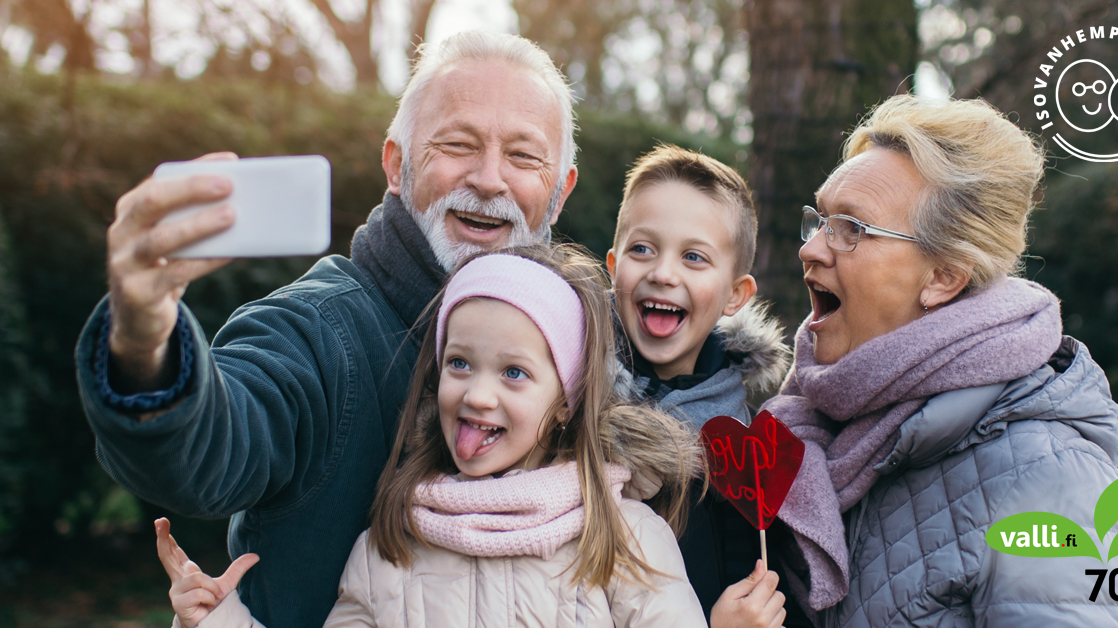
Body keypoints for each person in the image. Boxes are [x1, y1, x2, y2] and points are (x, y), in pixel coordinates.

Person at [73, 31, 579, 627]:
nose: (490, 179)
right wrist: (141, 341)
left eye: (523, 155)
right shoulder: (315, 331)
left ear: (559, 193)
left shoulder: (592, 350)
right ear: (397, 164)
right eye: (459, 144)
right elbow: (207, 450)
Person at [155, 244, 714, 627]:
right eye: (460, 364)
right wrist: (216, 617)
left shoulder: (624, 538)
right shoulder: (388, 546)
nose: (477, 395)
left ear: (566, 400)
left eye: (514, 373)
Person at [763, 94, 1118, 626]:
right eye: (821, 219)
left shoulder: (1055, 483)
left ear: (944, 277)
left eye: (852, 228)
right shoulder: (805, 423)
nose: (811, 249)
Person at [605, 145, 798, 625]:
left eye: (694, 257)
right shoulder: (565, 410)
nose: (663, 273)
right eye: (642, 249)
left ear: (736, 294)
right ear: (613, 266)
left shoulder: (744, 459)